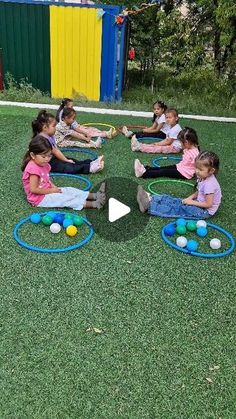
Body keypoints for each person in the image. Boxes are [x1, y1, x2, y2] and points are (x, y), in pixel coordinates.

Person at [22, 136, 106, 210]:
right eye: (44, 156)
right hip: (39, 198)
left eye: (49, 155)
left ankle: (96, 195)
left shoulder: (43, 163)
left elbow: (46, 179)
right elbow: (34, 189)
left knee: (69, 190)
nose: (47, 159)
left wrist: (53, 187)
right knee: (65, 199)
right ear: (33, 155)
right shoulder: (33, 170)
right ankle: (95, 204)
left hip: (47, 190)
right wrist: (51, 191)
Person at [136, 151, 222, 219]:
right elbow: (199, 191)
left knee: (178, 209)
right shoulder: (203, 176)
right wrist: (190, 198)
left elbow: (208, 204)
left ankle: (149, 206)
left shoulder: (210, 184)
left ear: (211, 171)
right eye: (196, 167)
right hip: (198, 203)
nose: (196, 171)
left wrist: (191, 202)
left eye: (200, 169)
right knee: (175, 200)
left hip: (204, 211)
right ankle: (152, 198)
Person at [32, 110, 104, 175]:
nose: (56, 127)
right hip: (46, 163)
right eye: (54, 126)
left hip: (50, 158)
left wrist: (66, 159)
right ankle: (90, 168)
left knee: (71, 160)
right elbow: (55, 151)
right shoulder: (43, 139)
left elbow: (56, 151)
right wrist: (66, 160)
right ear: (45, 128)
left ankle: (90, 162)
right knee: (67, 166)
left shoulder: (49, 135)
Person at [134, 127, 199, 179]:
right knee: (165, 168)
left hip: (184, 173)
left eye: (181, 142)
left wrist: (198, 176)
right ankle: (147, 168)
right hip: (180, 167)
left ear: (187, 142)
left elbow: (198, 166)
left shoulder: (194, 153)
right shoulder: (188, 148)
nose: (180, 144)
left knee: (164, 172)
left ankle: (144, 174)